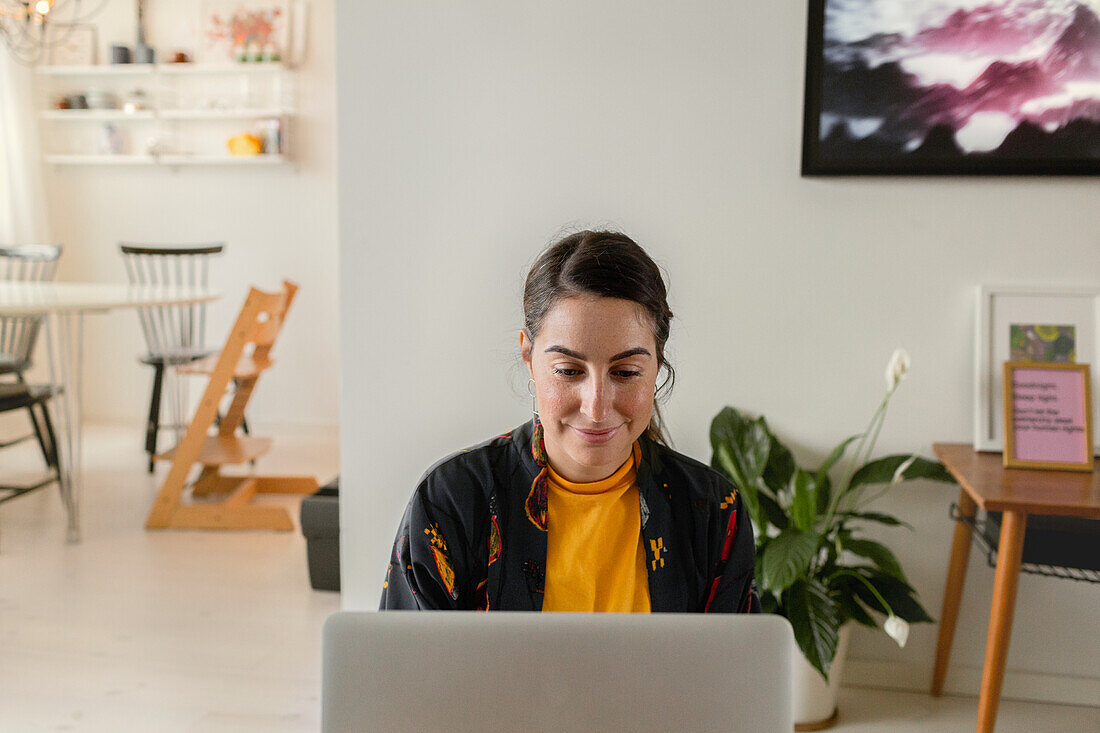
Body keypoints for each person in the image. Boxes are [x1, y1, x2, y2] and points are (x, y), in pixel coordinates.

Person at [380, 230, 758, 612]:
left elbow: (735, 670)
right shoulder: (453, 500)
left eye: (625, 372)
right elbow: (403, 667)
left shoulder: (713, 512)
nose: (596, 408)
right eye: (568, 370)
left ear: (657, 365)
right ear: (528, 355)